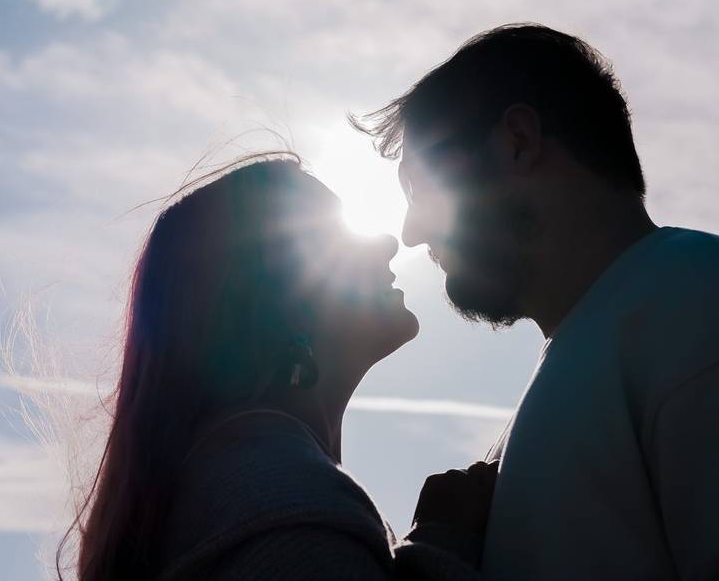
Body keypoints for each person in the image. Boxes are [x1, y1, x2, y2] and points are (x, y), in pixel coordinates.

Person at [352, 23, 719, 580]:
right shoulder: (628, 329)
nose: (411, 231)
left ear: (518, 141)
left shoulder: (695, 300)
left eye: (419, 185)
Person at [62, 154, 496, 581]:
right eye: (332, 238)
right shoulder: (286, 506)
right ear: (276, 307)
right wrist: (442, 546)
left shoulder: (232, 491)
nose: (387, 242)